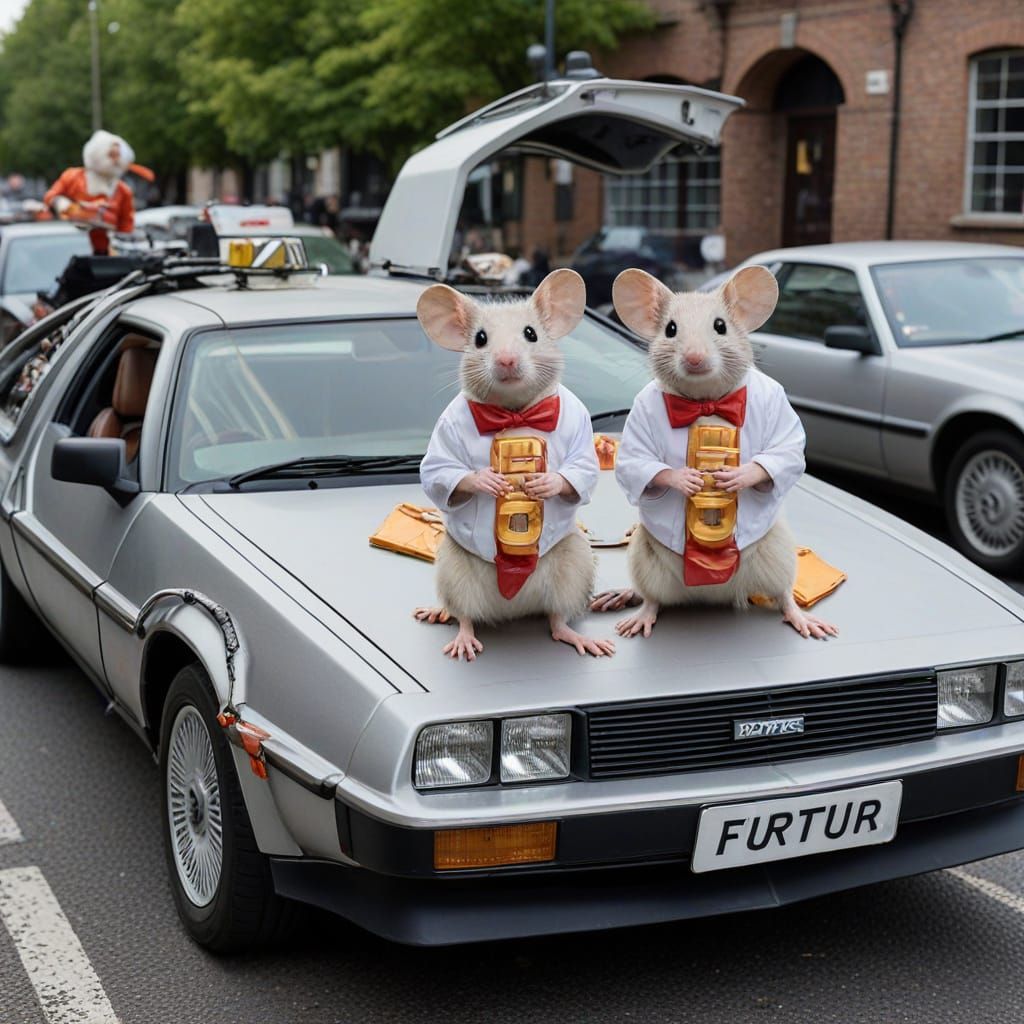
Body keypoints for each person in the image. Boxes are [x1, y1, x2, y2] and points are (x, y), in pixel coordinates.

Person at [44, 131, 137, 254]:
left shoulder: (123, 190)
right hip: (68, 246)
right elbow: (50, 197)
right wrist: (65, 206)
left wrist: (119, 244)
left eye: (118, 156)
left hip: (104, 253)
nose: (116, 160)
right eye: (111, 155)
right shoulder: (73, 177)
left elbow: (126, 226)